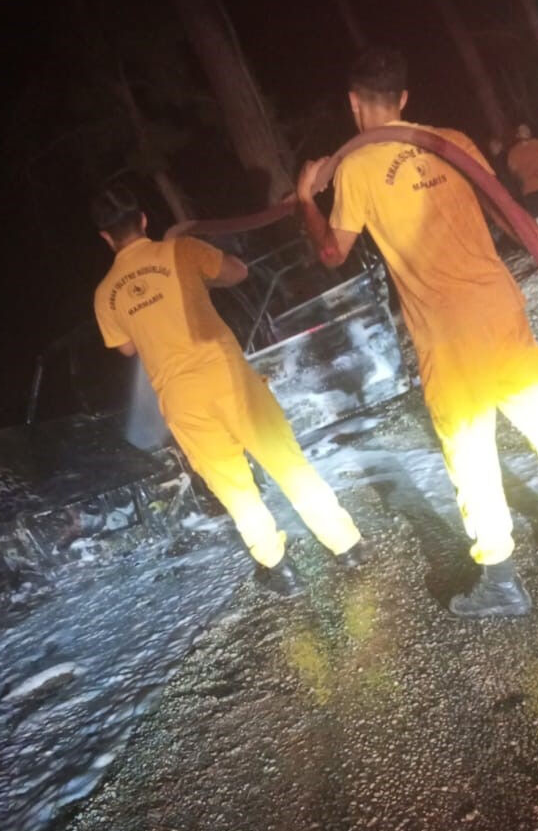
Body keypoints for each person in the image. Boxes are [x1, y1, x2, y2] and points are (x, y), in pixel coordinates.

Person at [295, 47, 538, 620]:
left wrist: (305, 198)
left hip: (446, 331)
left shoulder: (357, 168)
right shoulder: (453, 140)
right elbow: (506, 212)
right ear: (404, 99)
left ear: (354, 103)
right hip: (499, 304)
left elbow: (330, 253)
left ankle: (500, 578)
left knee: (470, 448)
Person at [91, 181, 363, 597]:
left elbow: (126, 346)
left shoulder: (105, 295)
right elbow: (238, 272)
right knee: (286, 461)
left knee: (233, 487)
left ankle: (279, 569)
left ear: (106, 237)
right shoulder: (180, 251)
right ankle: (346, 547)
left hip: (181, 399)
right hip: (228, 377)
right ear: (143, 219)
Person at [506, 122, 538, 243]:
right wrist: (521, 181)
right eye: (522, 130)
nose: (525, 131)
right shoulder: (513, 152)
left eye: (527, 129)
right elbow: (513, 172)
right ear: (518, 135)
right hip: (529, 189)